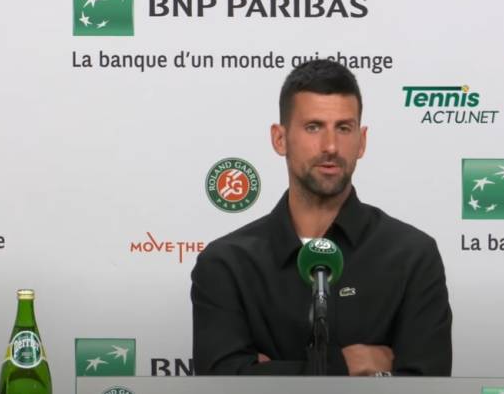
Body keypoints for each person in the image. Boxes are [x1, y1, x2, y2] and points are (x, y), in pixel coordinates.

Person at [191, 59, 452, 376]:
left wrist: (270, 374)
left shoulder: (413, 256)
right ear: (280, 139)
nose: (330, 146)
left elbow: (427, 384)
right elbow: (222, 384)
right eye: (313, 127)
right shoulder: (227, 264)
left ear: (362, 141)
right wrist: (348, 366)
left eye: (344, 128)